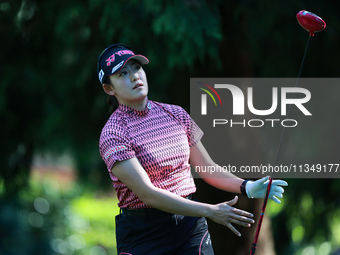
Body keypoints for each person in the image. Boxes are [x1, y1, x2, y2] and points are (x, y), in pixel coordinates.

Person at [97, 43, 288, 254]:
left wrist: (248, 187)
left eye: (136, 68)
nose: (134, 77)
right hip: (144, 234)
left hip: (190, 228)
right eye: (123, 73)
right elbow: (148, 194)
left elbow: (207, 168)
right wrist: (209, 211)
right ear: (109, 88)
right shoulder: (113, 134)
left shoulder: (176, 114)